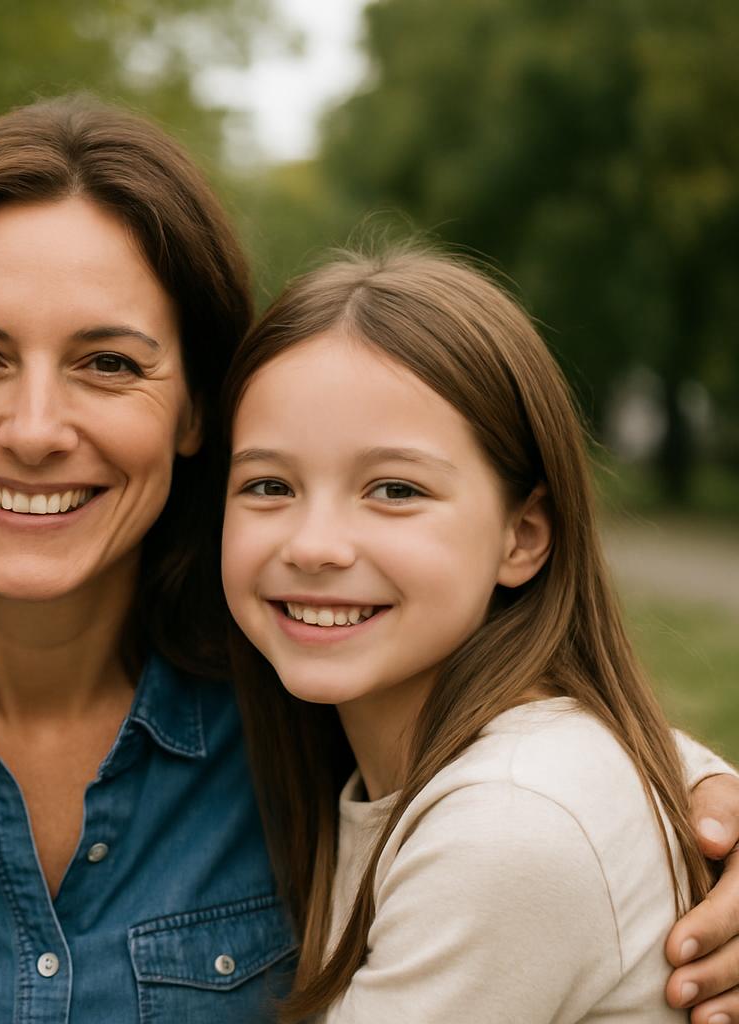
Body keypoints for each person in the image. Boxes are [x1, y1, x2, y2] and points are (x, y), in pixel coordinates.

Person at [0, 98, 739, 1024]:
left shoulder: (296, 675)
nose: (35, 429)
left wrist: (694, 796)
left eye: (109, 364)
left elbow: (522, 772)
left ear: (199, 413)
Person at [217, 248, 722, 1021]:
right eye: (269, 485)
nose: (314, 545)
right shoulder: (396, 769)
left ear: (523, 535)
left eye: (395, 489)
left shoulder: (507, 827)